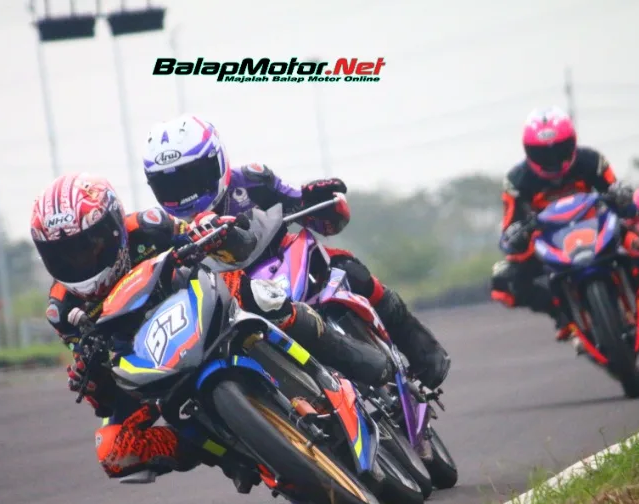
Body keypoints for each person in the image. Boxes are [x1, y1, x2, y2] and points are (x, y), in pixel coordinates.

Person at [31, 172, 395, 483]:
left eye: (88, 246)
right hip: (146, 359)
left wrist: (217, 230)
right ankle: (223, 452)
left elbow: (222, 244)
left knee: (262, 295)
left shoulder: (148, 226)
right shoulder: (62, 309)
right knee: (113, 449)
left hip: (200, 302)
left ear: (113, 228)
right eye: (63, 255)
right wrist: (90, 377)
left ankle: (344, 353)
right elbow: (103, 394)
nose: (78, 261)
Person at [140, 113, 450, 391]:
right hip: (234, 302)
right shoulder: (164, 231)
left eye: (193, 177)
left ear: (218, 161)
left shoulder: (253, 180)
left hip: (287, 262)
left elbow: (320, 215)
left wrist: (321, 202)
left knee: (348, 266)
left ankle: (421, 347)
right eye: (170, 186)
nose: (185, 192)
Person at [490, 106, 639, 341]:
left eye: (560, 149)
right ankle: (560, 315)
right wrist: (515, 234)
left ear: (572, 142)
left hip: (595, 226)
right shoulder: (516, 181)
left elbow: (622, 201)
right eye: (542, 153)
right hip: (549, 238)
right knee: (505, 281)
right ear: (528, 151)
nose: (553, 159)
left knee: (633, 241)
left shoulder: (592, 160)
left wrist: (622, 196)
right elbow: (509, 226)